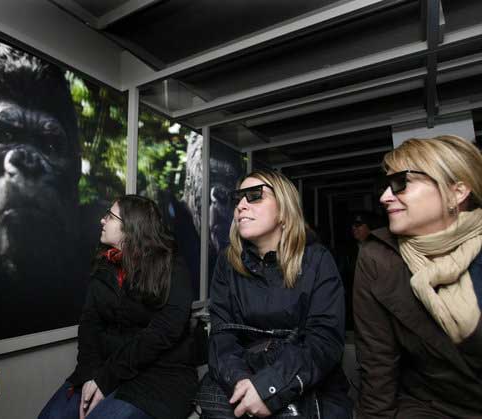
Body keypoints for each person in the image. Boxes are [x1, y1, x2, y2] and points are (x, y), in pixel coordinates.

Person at [197, 169, 351, 418]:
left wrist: (269, 387)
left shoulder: (317, 259)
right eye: (238, 199)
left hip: (309, 386)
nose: (241, 206)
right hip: (242, 381)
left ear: (284, 210)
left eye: (255, 196)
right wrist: (242, 383)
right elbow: (222, 337)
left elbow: (324, 341)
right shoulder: (227, 263)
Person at [353, 135, 482, 418]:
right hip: (431, 408)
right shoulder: (378, 258)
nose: (385, 197)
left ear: (457, 192)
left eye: (401, 183)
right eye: (386, 186)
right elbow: (378, 364)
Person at [39, 195, 198, 419]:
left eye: (110, 217)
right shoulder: (104, 263)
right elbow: (90, 325)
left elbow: (163, 333)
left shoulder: (171, 266)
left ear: (131, 227)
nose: (102, 221)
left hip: (158, 378)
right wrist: (90, 377)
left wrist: (105, 380)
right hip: (104, 369)